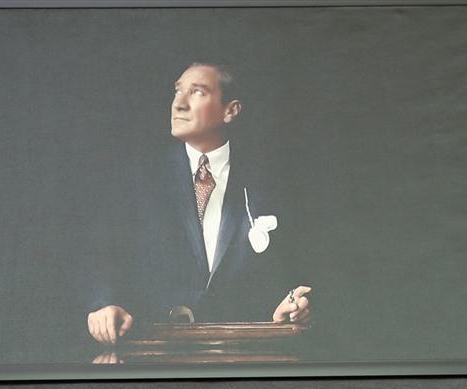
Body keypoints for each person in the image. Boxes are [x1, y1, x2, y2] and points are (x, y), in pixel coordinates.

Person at [84, 60, 314, 347]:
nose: (178, 104)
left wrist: (287, 307)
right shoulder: (137, 177)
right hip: (154, 350)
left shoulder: (269, 181)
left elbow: (292, 266)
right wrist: (103, 304)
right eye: (177, 91)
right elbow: (100, 254)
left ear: (231, 111)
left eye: (197, 92)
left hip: (242, 351)